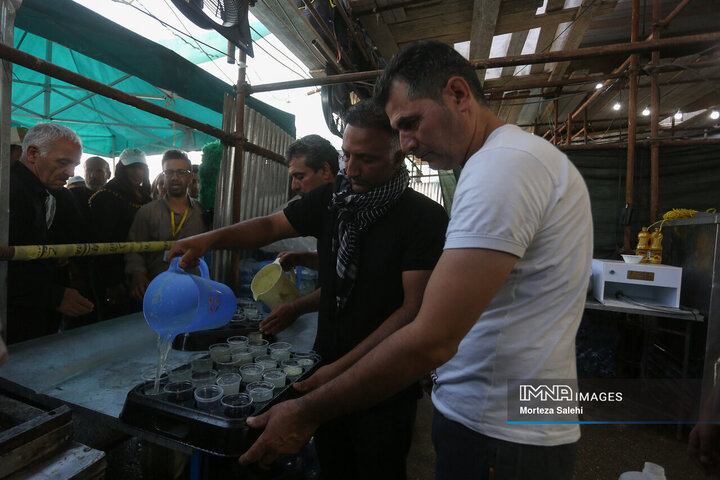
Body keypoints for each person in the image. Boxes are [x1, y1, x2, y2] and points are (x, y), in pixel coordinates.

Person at [232, 40, 594, 480]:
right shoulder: (513, 160)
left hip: (498, 432)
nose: (406, 144)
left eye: (411, 123)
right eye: (397, 130)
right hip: (505, 418)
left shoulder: (502, 168)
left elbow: (430, 335)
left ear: (458, 95)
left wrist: (308, 409)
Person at [168, 100, 449, 479]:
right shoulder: (333, 200)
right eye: (347, 155)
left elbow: (410, 311)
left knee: (377, 468)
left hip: (383, 382)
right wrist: (209, 239)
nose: (351, 169)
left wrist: (339, 369)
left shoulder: (423, 219)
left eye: (366, 158)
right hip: (323, 365)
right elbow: (270, 226)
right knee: (334, 464)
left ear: (399, 155)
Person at [7, 123, 94, 344]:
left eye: (74, 165)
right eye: (63, 162)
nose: (71, 173)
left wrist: (56, 251)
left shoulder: (48, 193)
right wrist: (54, 296)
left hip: (34, 317)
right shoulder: (8, 192)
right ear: (33, 154)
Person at [259, 134, 339, 335]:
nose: (294, 186)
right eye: (292, 178)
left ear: (326, 170)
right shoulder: (323, 210)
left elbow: (342, 283)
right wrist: (301, 259)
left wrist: (296, 308)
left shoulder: (345, 212)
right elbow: (333, 263)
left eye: (300, 176)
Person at [126, 150, 207, 301]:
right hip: (158, 290)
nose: (175, 177)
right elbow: (133, 248)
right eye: (169, 172)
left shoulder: (202, 212)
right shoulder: (146, 212)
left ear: (190, 177)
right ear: (163, 176)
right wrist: (137, 274)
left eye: (181, 172)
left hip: (195, 289)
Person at [89, 147, 151, 319]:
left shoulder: (145, 196)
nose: (137, 172)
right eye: (132, 167)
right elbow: (102, 241)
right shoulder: (106, 196)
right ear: (121, 169)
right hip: (115, 275)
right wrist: (112, 282)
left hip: (141, 272)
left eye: (141, 167)